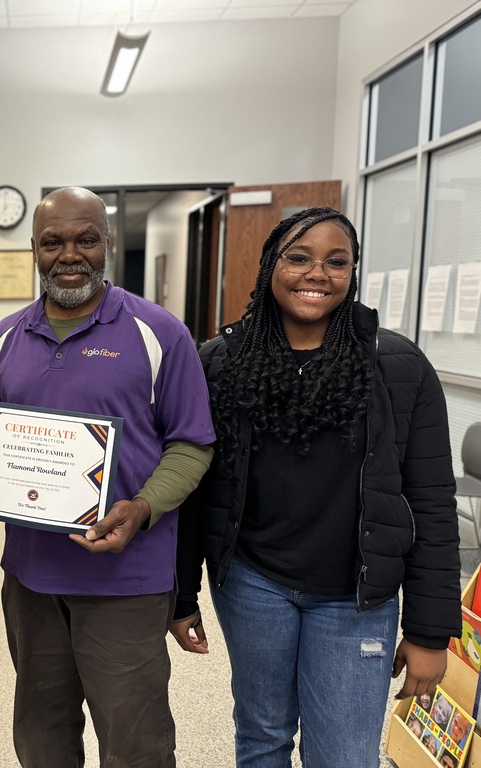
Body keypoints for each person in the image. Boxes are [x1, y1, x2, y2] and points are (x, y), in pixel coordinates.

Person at [171, 207, 460, 768]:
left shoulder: (397, 366)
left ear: (353, 272)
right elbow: (197, 492)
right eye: (299, 257)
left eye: (337, 262)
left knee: (345, 756)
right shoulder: (222, 362)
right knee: (263, 737)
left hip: (356, 595)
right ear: (270, 267)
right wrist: (182, 597)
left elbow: (430, 501)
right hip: (253, 585)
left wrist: (429, 632)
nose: (317, 274)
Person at [0, 186, 215, 767]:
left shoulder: (160, 333)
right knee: (42, 736)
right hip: (31, 579)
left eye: (86, 239)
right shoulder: (3, 340)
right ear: (34, 250)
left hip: (126, 579)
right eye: (53, 242)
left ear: (106, 243)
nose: (70, 255)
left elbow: (192, 445)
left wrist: (142, 507)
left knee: (135, 744)